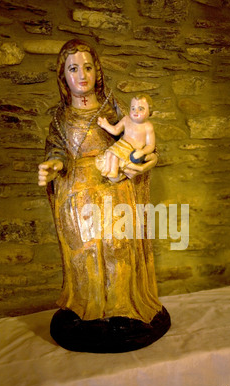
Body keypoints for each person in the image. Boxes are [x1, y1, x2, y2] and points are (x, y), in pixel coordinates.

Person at [38, 39, 170, 353]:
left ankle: (123, 310)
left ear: (98, 70)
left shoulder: (113, 109)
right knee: (84, 252)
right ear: (63, 75)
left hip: (115, 188)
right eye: (73, 68)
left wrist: (143, 162)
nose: (81, 74)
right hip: (79, 194)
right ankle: (90, 311)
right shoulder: (60, 118)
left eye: (88, 66)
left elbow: (139, 144)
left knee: (118, 247)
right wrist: (53, 166)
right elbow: (57, 152)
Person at [96, 95, 155, 179]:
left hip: (131, 150)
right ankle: (107, 169)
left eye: (141, 109)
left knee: (116, 156)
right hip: (120, 144)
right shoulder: (126, 119)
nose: (136, 111)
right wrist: (105, 125)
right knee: (110, 153)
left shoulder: (148, 126)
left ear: (150, 111)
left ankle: (113, 171)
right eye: (133, 108)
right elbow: (116, 130)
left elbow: (150, 145)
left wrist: (142, 152)